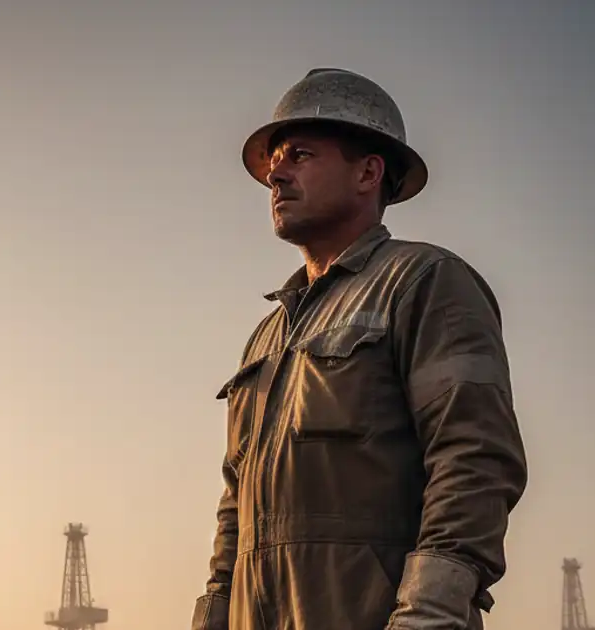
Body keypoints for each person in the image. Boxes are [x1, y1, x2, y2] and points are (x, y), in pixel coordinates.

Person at [191, 68, 529, 630]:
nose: (276, 174)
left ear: (368, 172)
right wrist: (213, 614)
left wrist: (428, 615)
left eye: (299, 154)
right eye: (274, 160)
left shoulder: (424, 281)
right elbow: (235, 507)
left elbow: (474, 458)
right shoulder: (268, 337)